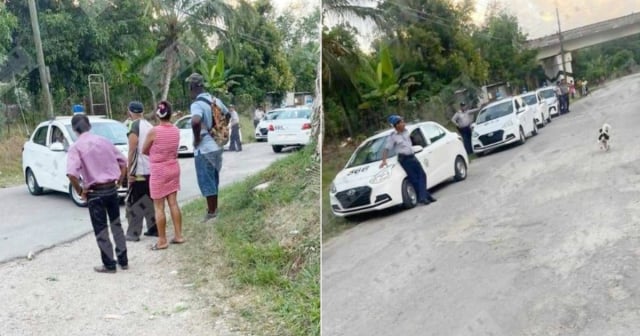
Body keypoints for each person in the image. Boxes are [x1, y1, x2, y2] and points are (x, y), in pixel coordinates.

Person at [66, 114, 128, 273]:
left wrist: (80, 191)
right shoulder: (104, 141)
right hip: (111, 189)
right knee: (116, 225)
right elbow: (123, 162)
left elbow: (72, 174)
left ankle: (109, 265)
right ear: (89, 126)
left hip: (94, 192)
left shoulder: (76, 147)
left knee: (101, 229)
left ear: (74, 129)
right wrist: (120, 181)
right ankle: (123, 260)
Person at [185, 73, 229, 222]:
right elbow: (227, 114)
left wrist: (197, 139)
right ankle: (214, 208)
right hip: (217, 146)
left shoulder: (196, 104)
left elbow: (195, 121)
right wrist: (220, 128)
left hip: (204, 148)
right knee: (213, 178)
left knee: (206, 179)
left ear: (192, 87)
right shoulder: (214, 100)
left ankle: (211, 212)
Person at [142, 101, 184, 250]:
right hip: (173, 167)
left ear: (157, 114)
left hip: (159, 170)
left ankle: (162, 240)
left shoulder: (154, 131)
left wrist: (155, 154)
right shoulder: (176, 130)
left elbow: (144, 150)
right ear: (170, 114)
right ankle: (179, 236)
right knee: (173, 202)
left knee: (159, 207)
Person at [379, 115, 437, 205]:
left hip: (412, 157)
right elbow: (386, 148)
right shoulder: (393, 136)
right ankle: (424, 197)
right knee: (414, 179)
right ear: (397, 125)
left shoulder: (406, 132)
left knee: (422, 175)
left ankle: (425, 196)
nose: (404, 123)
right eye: (401, 122)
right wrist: (384, 160)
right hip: (404, 159)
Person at [124, 101, 158, 242]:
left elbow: (132, 149)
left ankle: (133, 232)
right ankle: (153, 228)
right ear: (142, 112)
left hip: (139, 170)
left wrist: (128, 171)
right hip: (150, 169)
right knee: (149, 200)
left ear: (130, 112)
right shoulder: (150, 125)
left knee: (135, 201)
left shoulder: (134, 126)